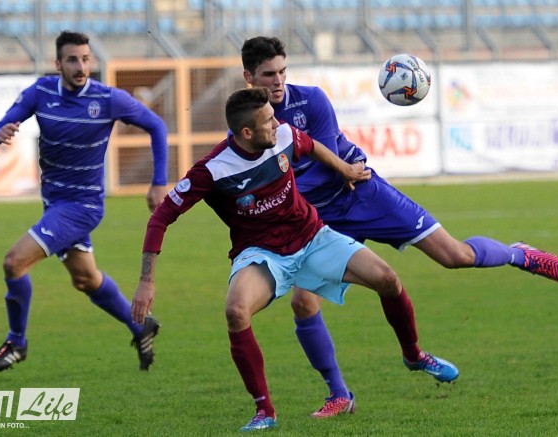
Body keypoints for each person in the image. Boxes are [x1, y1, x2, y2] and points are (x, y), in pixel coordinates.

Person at [240, 35, 558, 417]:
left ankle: (518, 255)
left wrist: (287, 189)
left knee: (455, 256)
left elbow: (327, 162)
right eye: (269, 75)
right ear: (250, 77)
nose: (279, 81)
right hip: (318, 219)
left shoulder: (310, 100)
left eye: (283, 71)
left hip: (361, 192)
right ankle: (340, 394)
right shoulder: (248, 126)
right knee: (303, 302)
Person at [131, 87, 458, 431]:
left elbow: (311, 145)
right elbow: (160, 218)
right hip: (262, 254)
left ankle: (413, 355)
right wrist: (146, 281)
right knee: (236, 311)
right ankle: (264, 411)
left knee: (388, 279)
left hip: (313, 238)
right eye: (268, 121)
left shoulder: (284, 135)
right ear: (247, 133)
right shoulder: (213, 170)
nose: (278, 124)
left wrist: (345, 169)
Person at [0, 31, 167, 372]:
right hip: (55, 204)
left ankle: (16, 343)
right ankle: (140, 326)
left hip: (83, 207)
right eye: (72, 60)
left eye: (85, 59)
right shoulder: (40, 92)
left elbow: (156, 126)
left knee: (13, 263)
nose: (81, 67)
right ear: (58, 64)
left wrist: (158, 183)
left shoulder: (107, 99)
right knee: (86, 279)